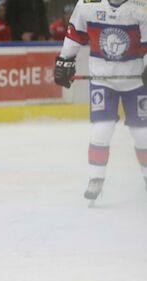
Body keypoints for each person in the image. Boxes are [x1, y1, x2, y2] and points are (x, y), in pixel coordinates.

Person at [54, 0, 147, 201]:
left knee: (143, 134)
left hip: (136, 80)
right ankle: (96, 177)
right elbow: (75, 33)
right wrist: (65, 58)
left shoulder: (142, 5)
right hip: (102, 79)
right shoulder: (88, 4)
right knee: (101, 129)